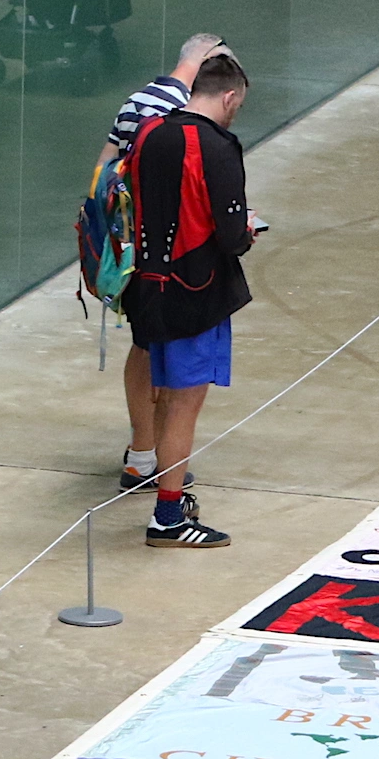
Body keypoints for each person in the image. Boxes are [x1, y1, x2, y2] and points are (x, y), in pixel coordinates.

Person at [127, 48, 257, 547]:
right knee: (184, 403)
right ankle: (168, 517)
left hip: (148, 286)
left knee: (161, 390)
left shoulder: (150, 132)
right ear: (228, 96)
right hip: (195, 290)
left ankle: (162, 483)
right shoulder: (217, 145)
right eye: (236, 104)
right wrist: (245, 232)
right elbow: (230, 233)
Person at [100, 32, 227, 491]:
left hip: (130, 248)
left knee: (144, 345)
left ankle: (141, 452)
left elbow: (104, 169)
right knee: (178, 364)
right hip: (169, 258)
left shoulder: (139, 101)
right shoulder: (184, 114)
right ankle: (157, 464)